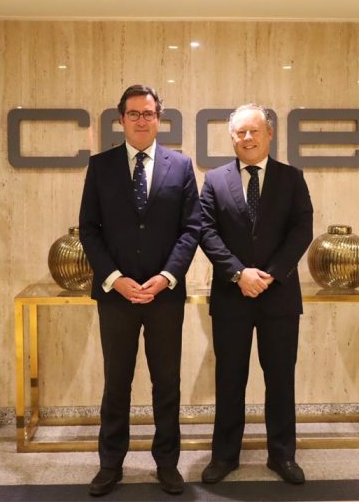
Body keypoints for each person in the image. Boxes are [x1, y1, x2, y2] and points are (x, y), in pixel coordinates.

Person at [78, 84, 201, 496]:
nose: (141, 120)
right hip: (117, 295)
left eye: (148, 113)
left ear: (159, 118)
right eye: (134, 114)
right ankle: (110, 464)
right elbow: (89, 230)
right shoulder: (101, 166)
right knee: (117, 383)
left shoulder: (180, 166)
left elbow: (191, 229)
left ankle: (167, 464)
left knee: (167, 383)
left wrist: (166, 277)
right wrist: (115, 278)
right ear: (121, 120)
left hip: (164, 295)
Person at [198, 103, 314, 485]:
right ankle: (224, 456)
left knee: (280, 380)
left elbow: (301, 230)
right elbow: (206, 231)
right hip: (232, 296)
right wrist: (238, 273)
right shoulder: (214, 180)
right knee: (229, 379)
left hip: (278, 296)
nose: (247, 138)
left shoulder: (291, 178)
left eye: (254, 131)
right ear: (232, 137)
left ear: (269, 134)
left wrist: (271, 274)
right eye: (240, 132)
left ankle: (282, 456)